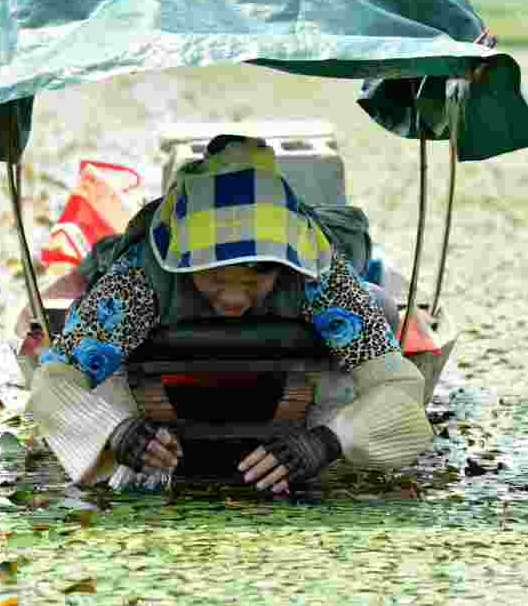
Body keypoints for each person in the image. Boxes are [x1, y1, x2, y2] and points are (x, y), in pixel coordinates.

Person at [28, 136, 432, 493]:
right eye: (216, 278)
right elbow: (56, 379)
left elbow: (397, 385)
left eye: (257, 276)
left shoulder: (319, 272)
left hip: (326, 333)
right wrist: (116, 430)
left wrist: (327, 440)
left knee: (379, 304)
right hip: (132, 320)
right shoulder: (138, 277)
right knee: (81, 313)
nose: (236, 298)